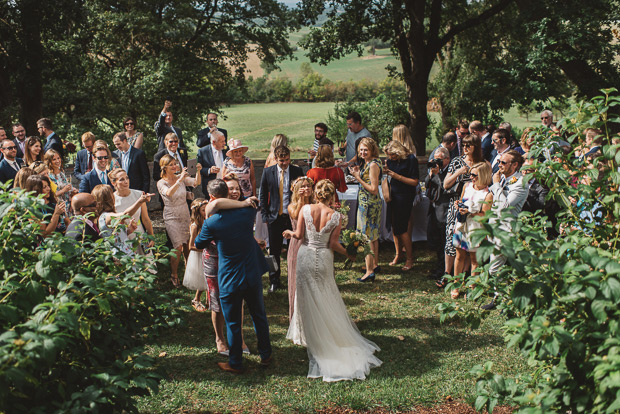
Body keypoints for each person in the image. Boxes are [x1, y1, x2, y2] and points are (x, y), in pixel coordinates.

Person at [283, 179, 382, 381]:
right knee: (326, 294)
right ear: (331, 196)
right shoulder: (336, 216)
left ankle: (306, 335)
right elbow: (334, 244)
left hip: (305, 256)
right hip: (324, 258)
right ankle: (327, 333)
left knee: (305, 296)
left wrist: (290, 232)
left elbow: (300, 235)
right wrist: (349, 254)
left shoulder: (306, 209)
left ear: (317, 194)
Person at [195, 179, 273, 373]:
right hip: (252, 272)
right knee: (259, 315)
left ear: (211, 198)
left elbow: (198, 243)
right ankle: (266, 355)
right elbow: (250, 200)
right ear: (229, 195)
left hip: (230, 277)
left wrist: (208, 214)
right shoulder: (247, 211)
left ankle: (236, 363)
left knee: (233, 322)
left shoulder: (212, 222)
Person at [482, 150, 528, 310]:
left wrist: (495, 185)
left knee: (497, 268)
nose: (499, 165)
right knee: (496, 267)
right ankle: (500, 298)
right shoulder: (504, 178)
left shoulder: (520, 183)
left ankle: (505, 300)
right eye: (499, 162)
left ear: (515, 165)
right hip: (496, 227)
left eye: (503, 163)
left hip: (507, 230)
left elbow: (505, 206)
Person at [439, 134, 484, 287]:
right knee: (452, 238)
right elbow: (445, 184)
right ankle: (447, 273)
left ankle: (464, 275)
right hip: (457, 203)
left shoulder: (481, 164)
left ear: (476, 147)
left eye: (468, 145)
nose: (465, 147)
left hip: (475, 206)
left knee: (469, 242)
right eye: (463, 144)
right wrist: (459, 172)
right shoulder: (457, 161)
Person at [259, 145, 304, 293]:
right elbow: (263, 195)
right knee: (274, 251)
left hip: (292, 216)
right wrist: (265, 215)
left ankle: (295, 278)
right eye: (281, 161)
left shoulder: (297, 171)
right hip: (274, 216)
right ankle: (274, 279)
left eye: (287, 160)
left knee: (295, 249)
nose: (284, 163)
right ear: (276, 159)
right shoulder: (268, 172)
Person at [157, 154, 202, 287]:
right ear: (164, 168)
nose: (175, 166)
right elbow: (169, 193)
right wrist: (180, 179)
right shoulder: (161, 182)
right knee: (177, 246)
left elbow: (196, 183)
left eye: (175, 163)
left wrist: (198, 171)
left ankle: (190, 272)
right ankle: (174, 274)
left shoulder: (181, 178)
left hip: (184, 213)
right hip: (171, 215)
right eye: (171, 165)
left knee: (188, 244)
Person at [451, 162, 493, 298]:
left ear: (483, 175)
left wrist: (470, 211)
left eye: (474, 175)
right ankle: (456, 285)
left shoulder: (488, 194)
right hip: (462, 225)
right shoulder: (467, 186)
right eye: (470, 174)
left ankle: (472, 286)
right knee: (459, 256)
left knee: (475, 259)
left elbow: (485, 215)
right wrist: (459, 205)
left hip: (476, 229)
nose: (471, 177)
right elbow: (461, 199)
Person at [348, 137, 382, 282]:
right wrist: (358, 172)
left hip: (368, 204)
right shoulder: (370, 162)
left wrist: (357, 178)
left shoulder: (373, 164)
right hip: (370, 203)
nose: (362, 152)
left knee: (366, 238)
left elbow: (373, 189)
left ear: (372, 149)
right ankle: (374, 265)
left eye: (365, 150)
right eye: (361, 150)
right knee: (373, 236)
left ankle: (369, 271)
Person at [383, 140, 419, 271]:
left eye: (393, 155)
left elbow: (415, 182)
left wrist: (396, 176)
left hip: (405, 196)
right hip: (393, 195)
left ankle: (410, 258)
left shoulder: (410, 160)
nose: (391, 157)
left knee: (402, 228)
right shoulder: (391, 161)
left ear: (398, 152)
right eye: (389, 155)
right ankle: (398, 254)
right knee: (394, 226)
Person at [92, 184, 151, 257]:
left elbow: (115, 236)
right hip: (119, 255)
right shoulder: (107, 216)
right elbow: (126, 214)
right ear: (110, 198)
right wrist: (140, 201)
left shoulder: (103, 216)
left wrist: (128, 231)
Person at [286, 176, 314, 321]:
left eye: (309, 186)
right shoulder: (292, 206)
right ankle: (297, 319)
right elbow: (298, 215)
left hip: (312, 243)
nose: (307, 188)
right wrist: (302, 199)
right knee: (297, 282)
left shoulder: (316, 204)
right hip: (297, 244)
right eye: (303, 186)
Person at [109, 168, 155, 255]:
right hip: (123, 234)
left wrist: (151, 237)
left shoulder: (139, 194)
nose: (126, 181)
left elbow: (145, 219)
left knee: (146, 262)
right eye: (122, 179)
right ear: (113, 183)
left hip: (139, 232)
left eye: (127, 178)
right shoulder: (112, 199)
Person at [425, 147, 451, 280]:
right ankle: (439, 267)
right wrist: (431, 175)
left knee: (443, 242)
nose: (436, 162)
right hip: (434, 209)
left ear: (447, 159)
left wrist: (438, 175)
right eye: (434, 159)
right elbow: (426, 185)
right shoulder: (434, 170)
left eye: (439, 159)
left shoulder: (450, 171)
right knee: (436, 241)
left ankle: (444, 271)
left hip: (444, 210)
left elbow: (446, 188)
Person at [183, 198, 209, 312]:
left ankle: (209, 301)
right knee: (202, 279)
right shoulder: (195, 226)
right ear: (197, 211)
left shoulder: (208, 221)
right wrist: (204, 249)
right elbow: (191, 246)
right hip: (199, 255)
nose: (206, 212)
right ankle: (196, 299)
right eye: (203, 210)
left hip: (207, 254)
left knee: (208, 278)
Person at [197, 130, 227, 196]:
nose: (224, 143)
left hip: (226, 185)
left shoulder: (226, 150)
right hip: (211, 187)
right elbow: (199, 169)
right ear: (214, 142)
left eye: (224, 140)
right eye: (222, 141)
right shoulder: (203, 151)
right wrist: (209, 170)